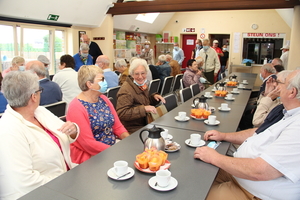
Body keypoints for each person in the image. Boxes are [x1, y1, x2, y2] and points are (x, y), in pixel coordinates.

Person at [194, 69, 300, 200]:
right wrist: (224, 136)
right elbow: (258, 132)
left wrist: (214, 157)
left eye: (279, 83)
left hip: (253, 192)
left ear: (292, 92)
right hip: (241, 175)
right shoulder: (287, 113)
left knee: (195, 193)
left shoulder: (297, 127)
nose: (276, 87)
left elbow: (260, 171)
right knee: (196, 174)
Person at [0, 71, 79, 200]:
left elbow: (65, 133)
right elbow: (25, 182)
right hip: (39, 194)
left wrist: (74, 129)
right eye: (39, 90)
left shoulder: (40, 111)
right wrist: (65, 182)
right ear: (33, 97)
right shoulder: (8, 130)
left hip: (63, 182)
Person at [67, 65, 129, 164]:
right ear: (89, 84)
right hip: (91, 156)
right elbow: (88, 143)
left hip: (110, 149)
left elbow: (117, 126)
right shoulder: (76, 107)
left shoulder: (103, 99)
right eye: (102, 80)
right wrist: (116, 152)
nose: (105, 82)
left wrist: (128, 142)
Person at [116, 58, 165, 133]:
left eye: (143, 73)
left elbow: (143, 102)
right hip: (132, 129)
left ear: (146, 73)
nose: (140, 77)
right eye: (136, 74)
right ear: (131, 74)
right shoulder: (126, 90)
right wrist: (144, 109)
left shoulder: (141, 85)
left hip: (145, 123)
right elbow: (122, 113)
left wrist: (153, 98)